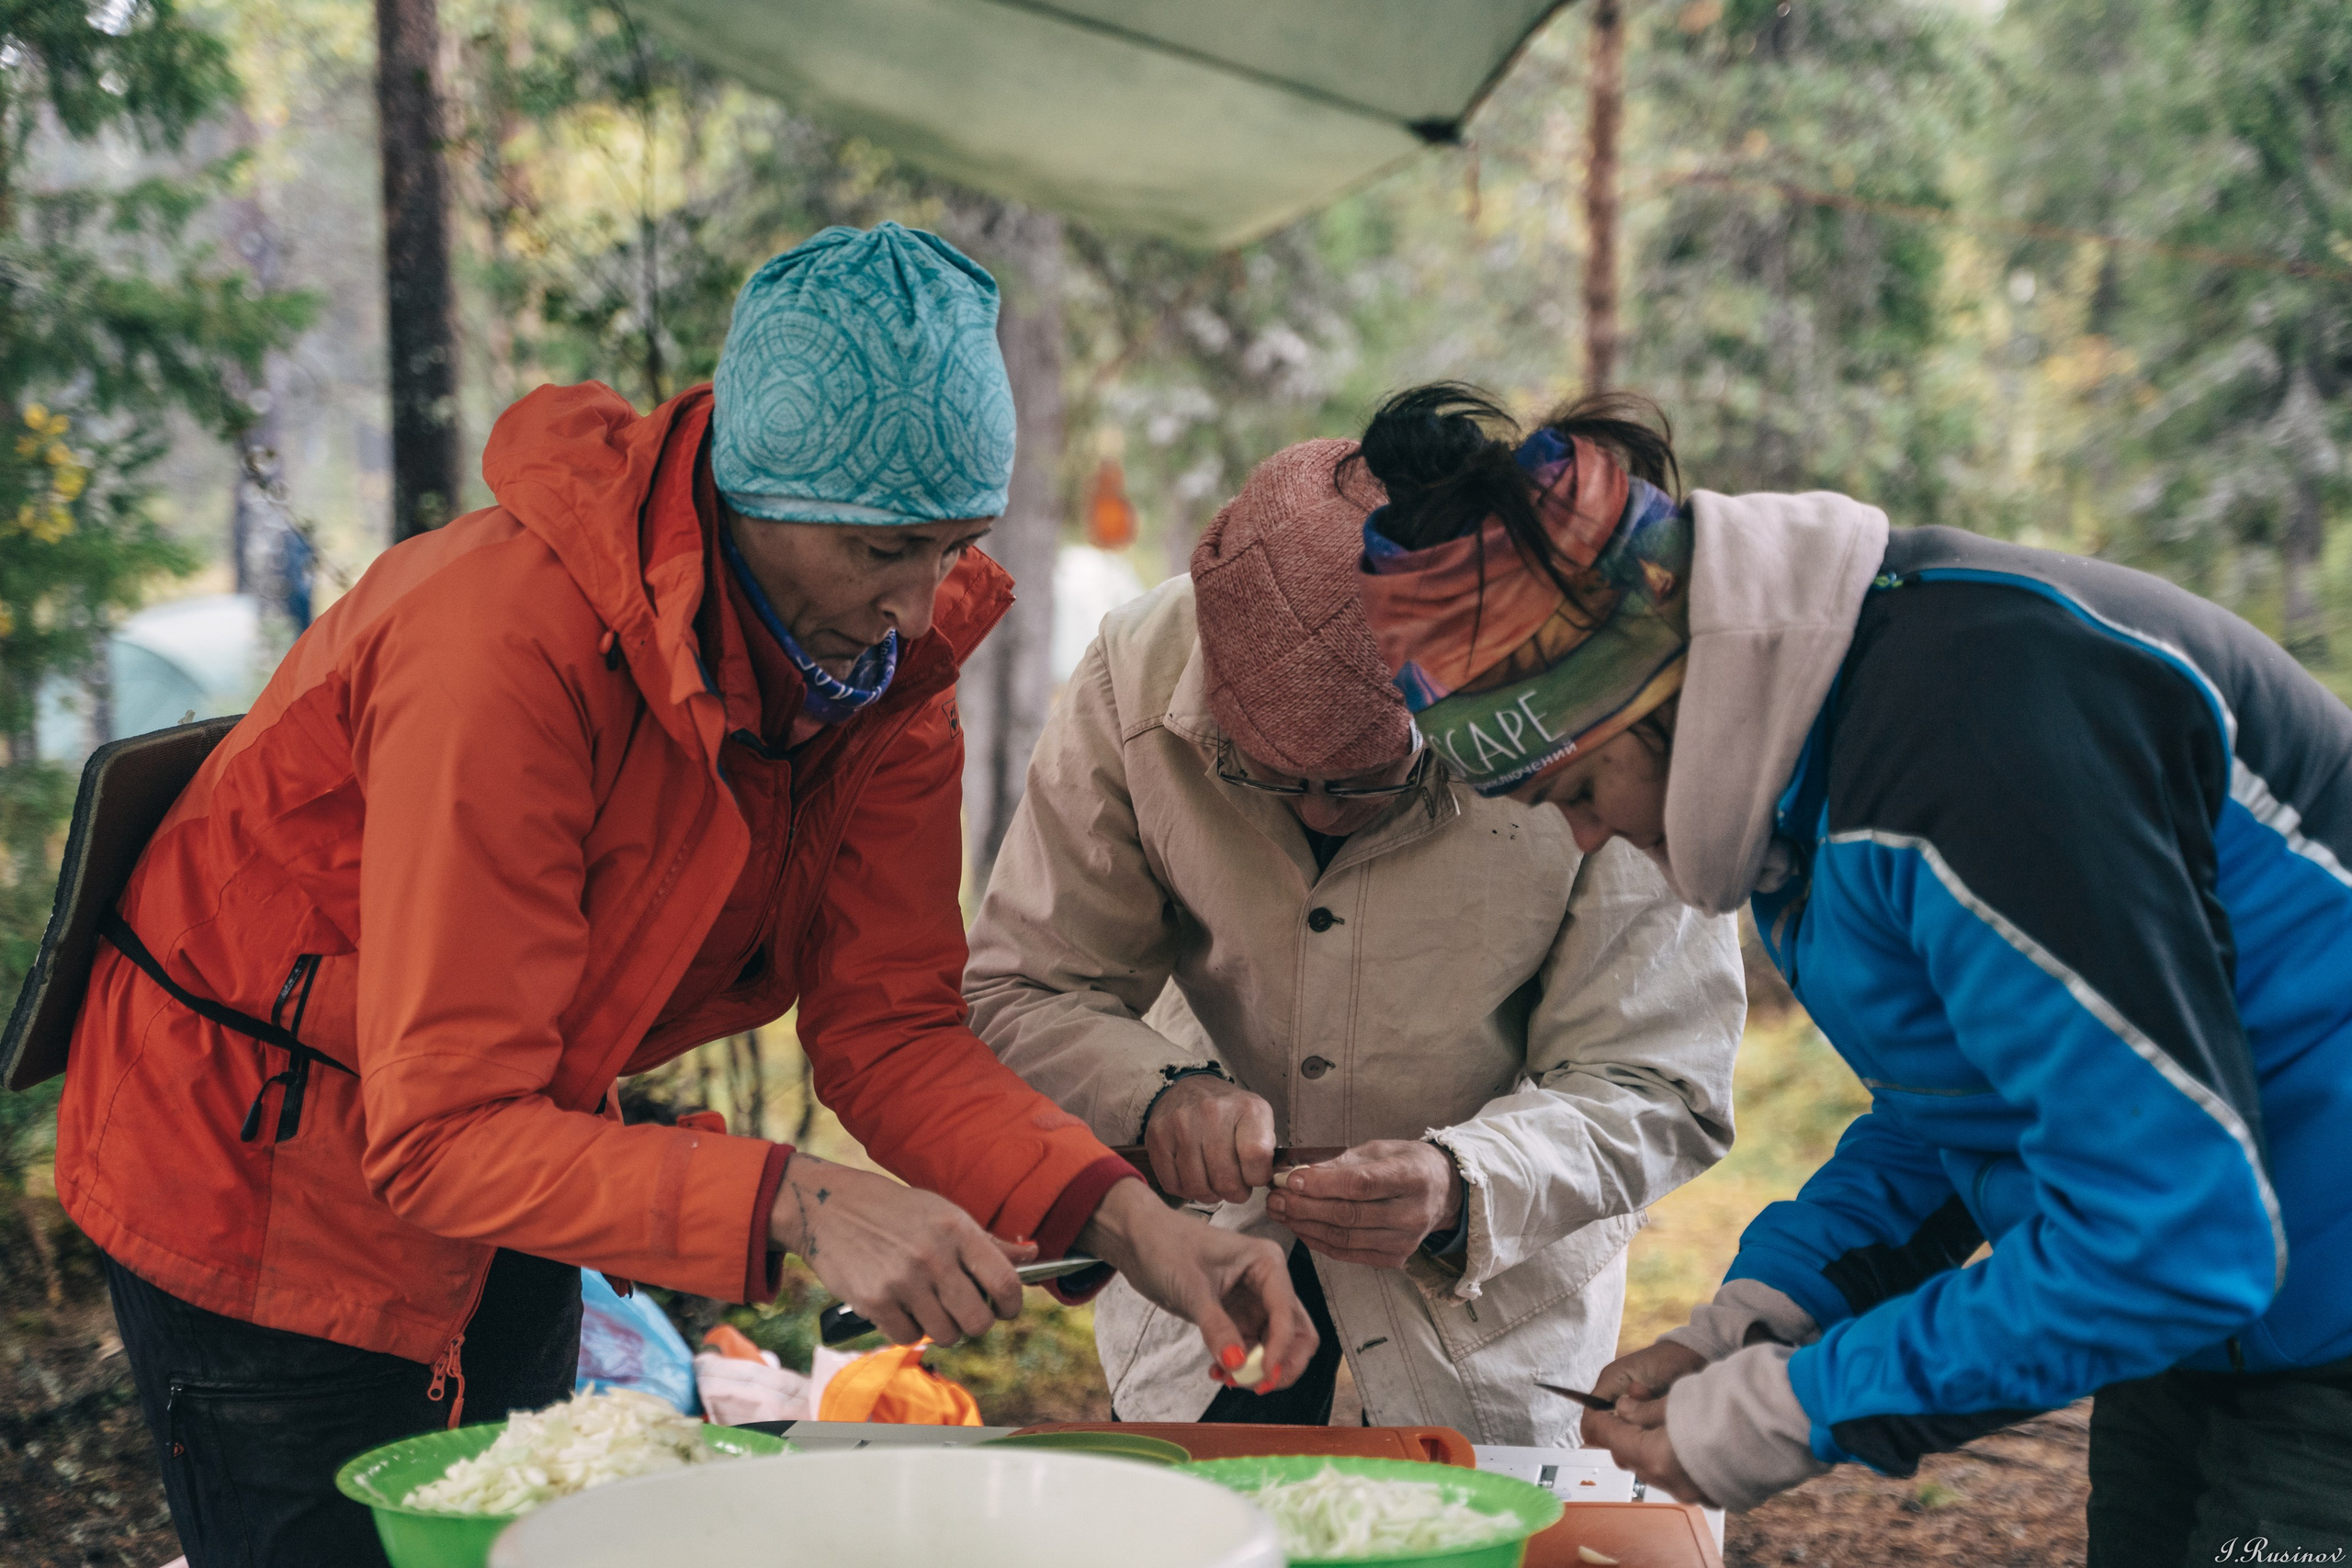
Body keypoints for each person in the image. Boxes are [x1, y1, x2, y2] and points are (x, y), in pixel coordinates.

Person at [52, 222, 1310, 1567]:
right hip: (252, 1159)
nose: (917, 601)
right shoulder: (504, 647)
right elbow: (441, 1129)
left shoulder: (883, 677)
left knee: (508, 1540)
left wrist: (1132, 1220)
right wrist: (802, 1200)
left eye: (954, 545)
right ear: (754, 494)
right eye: (885, 548)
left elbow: (890, 1026)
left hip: (521, 1145)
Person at [1348, 382, 2352, 1563]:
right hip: (2215, 1332)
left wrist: (1800, 1405)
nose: (1578, 837)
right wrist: (1768, 1317)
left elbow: (2173, 1239)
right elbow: (1971, 1105)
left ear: (1651, 694)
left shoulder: (1972, 744)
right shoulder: (1818, 762)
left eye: (1575, 790)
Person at [964, 438, 1743, 1438]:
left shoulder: (1581, 701)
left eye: (1367, 785)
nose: (1321, 814)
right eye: (1272, 780)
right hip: (1196, 1304)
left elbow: (1656, 1080)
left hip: (1486, 1337)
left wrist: (1468, 1182)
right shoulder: (1135, 675)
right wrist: (1158, 1094)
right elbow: (1023, 988)